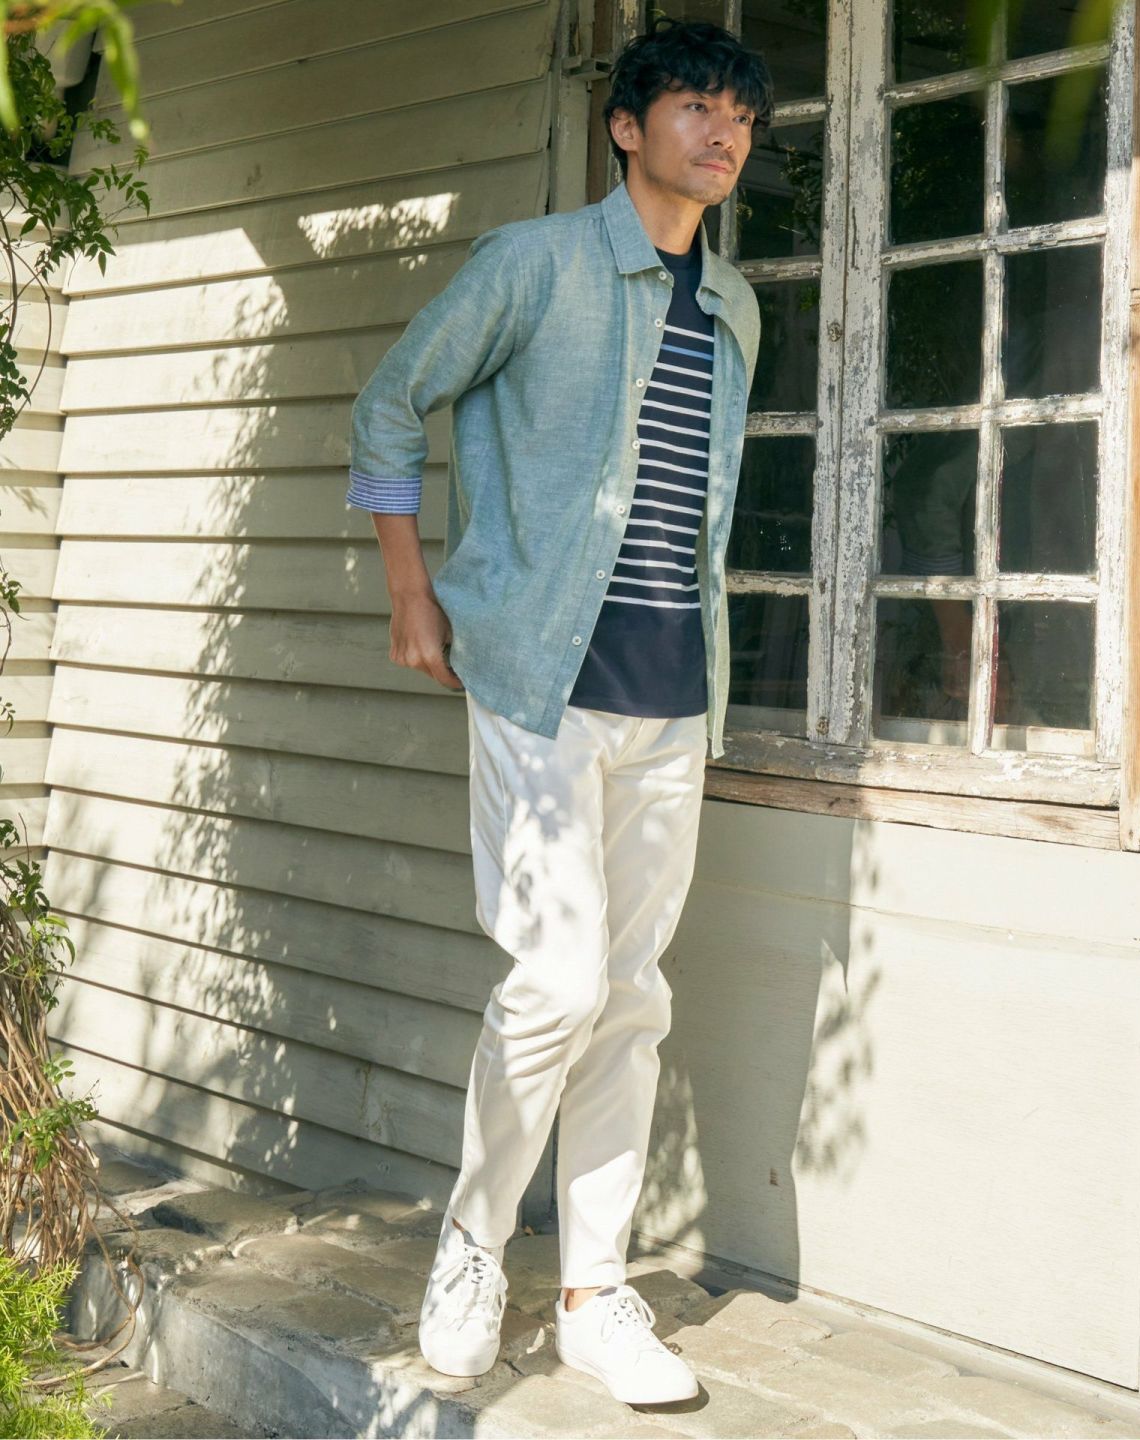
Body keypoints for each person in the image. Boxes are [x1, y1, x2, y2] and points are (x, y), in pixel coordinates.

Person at [345, 16, 772, 1408]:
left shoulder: (737, 307)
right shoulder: (532, 267)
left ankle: (594, 1294)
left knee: (632, 996)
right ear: (627, 127)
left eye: (740, 117)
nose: (722, 133)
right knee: (559, 981)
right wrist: (412, 589)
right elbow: (391, 405)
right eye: (695, 107)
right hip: (540, 680)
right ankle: (473, 1246)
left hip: (673, 694)